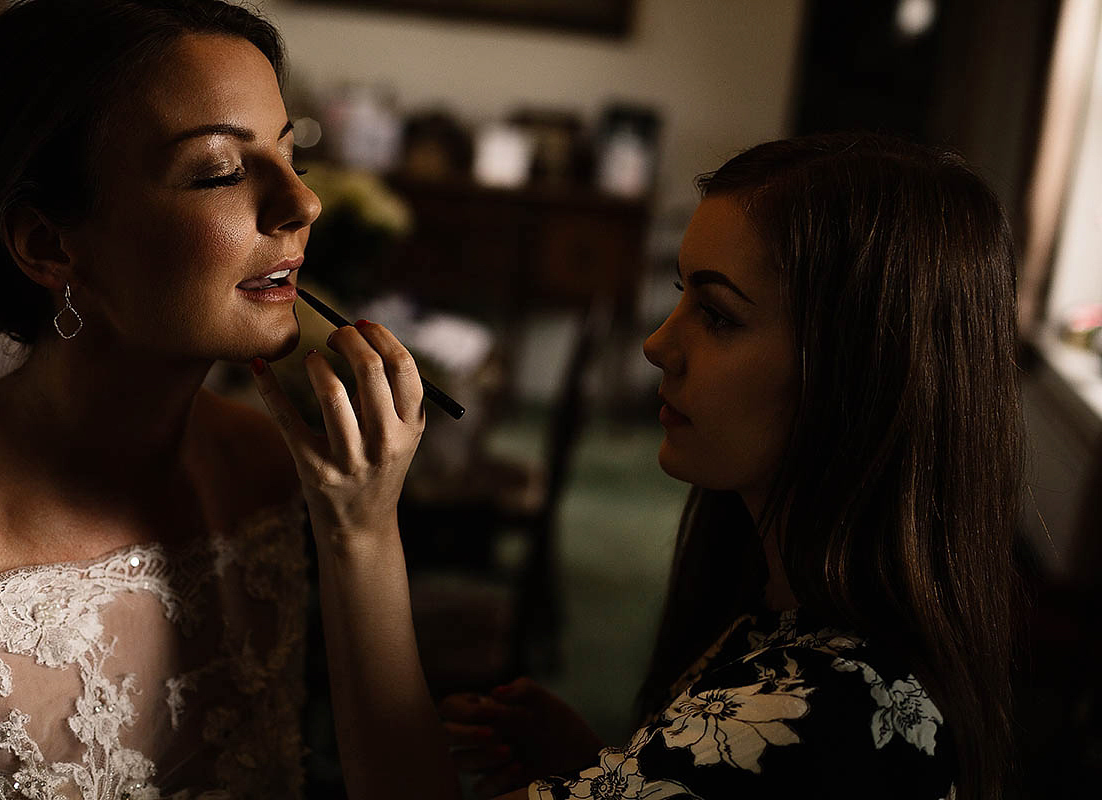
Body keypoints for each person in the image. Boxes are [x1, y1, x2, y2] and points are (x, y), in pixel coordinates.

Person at [251, 131, 1024, 800]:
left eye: (718, 315)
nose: (658, 344)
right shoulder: (809, 625)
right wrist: (619, 771)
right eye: (681, 292)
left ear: (860, 374)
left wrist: (359, 528)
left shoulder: (821, 716)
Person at [0, 1, 321, 797]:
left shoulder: (268, 469)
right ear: (48, 244)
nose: (303, 204)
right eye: (220, 172)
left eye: (291, 155)